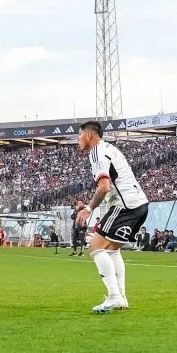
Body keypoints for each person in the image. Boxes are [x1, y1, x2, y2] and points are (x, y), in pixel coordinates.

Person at [74, 121, 150, 314]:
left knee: (95, 247)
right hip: (140, 205)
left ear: (89, 136)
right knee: (112, 250)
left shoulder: (97, 152)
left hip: (125, 206)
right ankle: (121, 297)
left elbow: (104, 186)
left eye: (79, 136)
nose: (78, 140)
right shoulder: (110, 148)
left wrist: (88, 209)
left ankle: (114, 297)